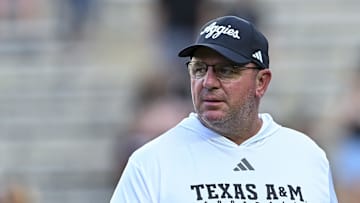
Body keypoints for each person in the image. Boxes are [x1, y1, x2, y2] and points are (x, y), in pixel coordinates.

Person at [110, 16, 338, 203]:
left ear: (261, 82)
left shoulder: (307, 156)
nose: (207, 82)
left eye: (226, 70)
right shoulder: (151, 163)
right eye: (198, 69)